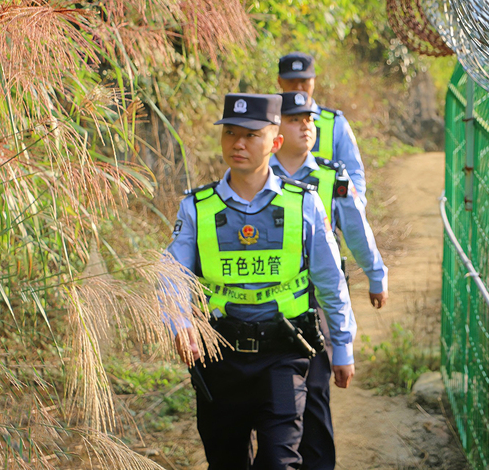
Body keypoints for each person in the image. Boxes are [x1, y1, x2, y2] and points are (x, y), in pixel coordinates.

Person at [165, 93, 356, 470]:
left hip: (283, 353)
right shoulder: (196, 207)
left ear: (275, 142)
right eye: (231, 133)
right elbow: (170, 273)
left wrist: (344, 347)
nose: (238, 143)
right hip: (218, 357)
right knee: (226, 462)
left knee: (278, 462)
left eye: (251, 135)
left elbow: (330, 280)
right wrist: (180, 322)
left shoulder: (303, 203)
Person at [270, 91, 388, 470]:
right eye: (295, 118)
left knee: (315, 390)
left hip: (316, 298)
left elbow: (356, 229)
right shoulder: (256, 178)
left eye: (309, 118)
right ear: (276, 130)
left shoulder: (332, 176)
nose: (307, 125)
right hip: (266, 304)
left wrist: (375, 274)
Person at [277, 52, 369, 206]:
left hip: (327, 222)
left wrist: (353, 209)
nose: (298, 87)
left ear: (314, 80)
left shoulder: (335, 123)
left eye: (304, 80)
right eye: (291, 80)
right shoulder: (267, 122)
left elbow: (353, 172)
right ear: (279, 81)